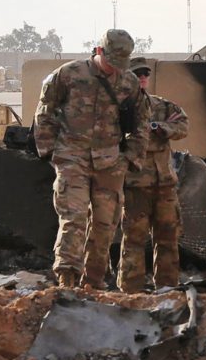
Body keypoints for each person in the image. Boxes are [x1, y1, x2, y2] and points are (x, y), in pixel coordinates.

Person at [34, 29, 142, 289]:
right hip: (72, 156)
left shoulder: (129, 82)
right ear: (99, 51)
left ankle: (93, 283)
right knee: (74, 218)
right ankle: (67, 280)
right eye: (111, 62)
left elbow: (141, 123)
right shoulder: (69, 74)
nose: (114, 70)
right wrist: (50, 151)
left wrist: (130, 158)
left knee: (105, 224)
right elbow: (45, 110)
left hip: (110, 161)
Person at [118, 62, 190, 292]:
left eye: (144, 75)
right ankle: (131, 290)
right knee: (133, 240)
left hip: (165, 185)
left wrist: (162, 128)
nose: (142, 79)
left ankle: (167, 288)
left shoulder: (161, 106)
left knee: (168, 237)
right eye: (136, 75)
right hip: (135, 186)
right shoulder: (119, 107)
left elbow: (183, 125)